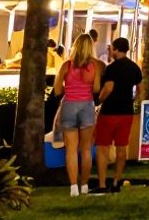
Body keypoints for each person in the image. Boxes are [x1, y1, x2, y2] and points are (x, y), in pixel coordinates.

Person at [55, 33, 104, 197]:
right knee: (86, 150)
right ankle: (84, 185)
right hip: (87, 106)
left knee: (70, 150)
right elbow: (96, 89)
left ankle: (73, 187)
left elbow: (57, 90)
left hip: (69, 105)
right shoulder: (94, 66)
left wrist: (68, 88)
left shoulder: (66, 65)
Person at [94, 37, 142, 193]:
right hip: (126, 112)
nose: (109, 51)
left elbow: (108, 87)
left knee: (103, 148)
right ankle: (116, 181)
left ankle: (101, 184)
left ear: (115, 49)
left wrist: (99, 100)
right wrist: (132, 100)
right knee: (122, 148)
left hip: (109, 112)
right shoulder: (134, 68)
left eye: (110, 48)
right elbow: (140, 90)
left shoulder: (111, 68)